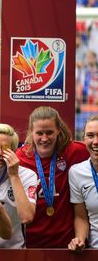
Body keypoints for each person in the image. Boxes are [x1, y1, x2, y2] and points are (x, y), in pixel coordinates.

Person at [17, 106, 89, 248]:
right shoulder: (20, 158)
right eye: (39, 133)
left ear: (58, 130)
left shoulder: (75, 151)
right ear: (31, 132)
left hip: (68, 245)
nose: (44, 138)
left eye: (49, 132)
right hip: (30, 244)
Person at [69, 115, 98, 252]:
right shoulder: (76, 172)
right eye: (90, 136)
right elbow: (81, 216)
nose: (95, 142)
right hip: (94, 253)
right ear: (84, 139)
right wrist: (79, 239)